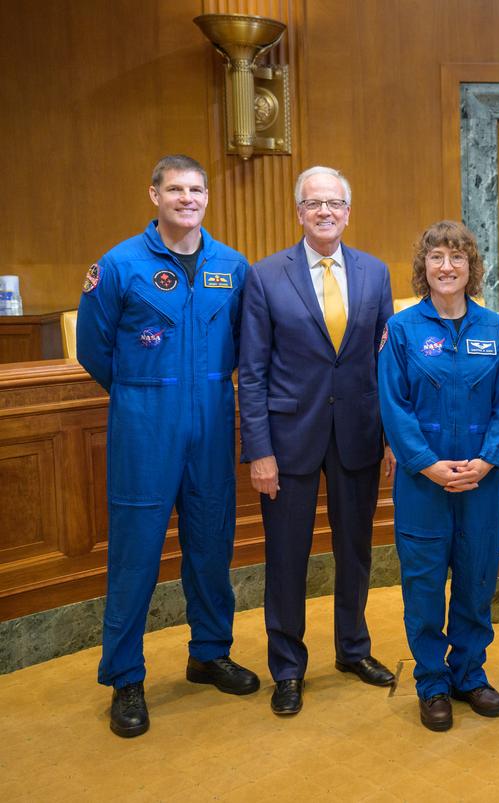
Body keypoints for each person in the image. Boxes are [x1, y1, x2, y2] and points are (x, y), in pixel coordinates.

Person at [77, 154, 258, 738]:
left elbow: (247, 347)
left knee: (211, 542)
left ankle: (209, 652)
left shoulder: (232, 267)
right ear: (153, 194)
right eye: (175, 189)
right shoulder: (119, 265)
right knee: (136, 553)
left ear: (207, 198)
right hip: (144, 422)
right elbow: (93, 348)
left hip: (211, 416)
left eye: (196, 189)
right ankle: (125, 676)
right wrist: (139, 393)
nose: (187, 198)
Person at [238, 166, 396, 716]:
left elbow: (385, 364)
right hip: (287, 440)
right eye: (313, 203)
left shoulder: (376, 274)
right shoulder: (264, 276)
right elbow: (251, 370)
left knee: (355, 550)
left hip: (358, 434)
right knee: (287, 557)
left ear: (348, 211)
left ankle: (353, 649)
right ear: (298, 212)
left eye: (334, 202)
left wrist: (392, 438)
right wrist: (258, 449)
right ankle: (287, 667)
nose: (324, 211)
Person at [378, 220, 499, 732]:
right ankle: (432, 682)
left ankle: (469, 674)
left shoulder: (494, 328)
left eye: (457, 257)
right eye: (436, 256)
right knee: (423, 585)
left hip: (480, 480)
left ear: (471, 267)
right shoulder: (401, 330)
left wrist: (487, 459)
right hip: (423, 482)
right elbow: (393, 405)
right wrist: (428, 464)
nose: (446, 266)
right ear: (423, 267)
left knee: (476, 579)